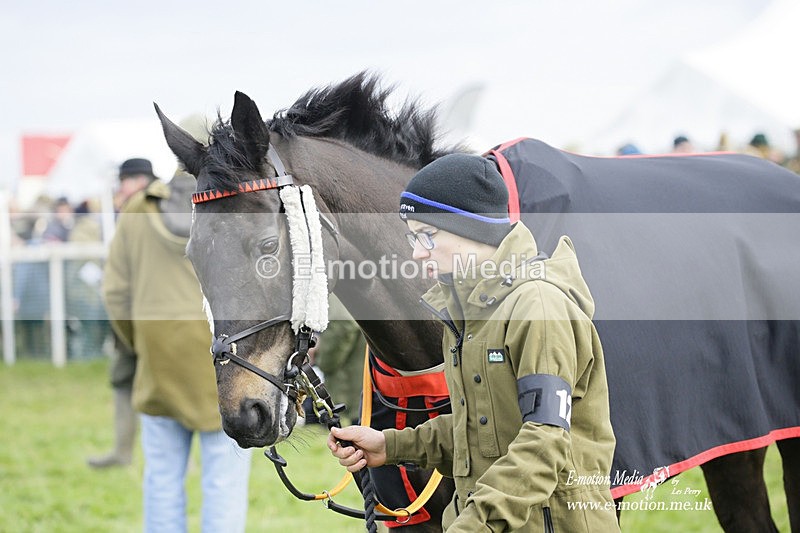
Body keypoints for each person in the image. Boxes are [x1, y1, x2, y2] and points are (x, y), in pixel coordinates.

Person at [329, 154, 619, 531]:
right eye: (412, 237)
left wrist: (473, 527)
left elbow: (545, 444)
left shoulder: (538, 306)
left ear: (470, 229)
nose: (417, 253)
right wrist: (390, 445)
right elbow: (480, 433)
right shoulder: (466, 313)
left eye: (427, 236)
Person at [102, 157, 252, 531]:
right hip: (225, 360)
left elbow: (115, 292)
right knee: (224, 481)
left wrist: (142, 343)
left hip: (158, 358)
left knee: (162, 478)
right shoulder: (235, 205)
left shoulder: (138, 207)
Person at [87, 158, 156, 468]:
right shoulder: (137, 209)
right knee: (123, 378)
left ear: (139, 181)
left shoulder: (147, 207)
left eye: (124, 181)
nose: (120, 188)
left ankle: (180, 461)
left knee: (166, 389)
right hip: (136, 314)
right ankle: (122, 451)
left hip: (152, 316)